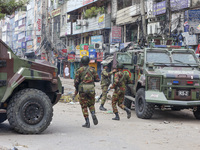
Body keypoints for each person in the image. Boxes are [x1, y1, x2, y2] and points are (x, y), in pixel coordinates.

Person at [74, 56, 100, 128]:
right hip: (91, 89)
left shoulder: (79, 70)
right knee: (91, 104)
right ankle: (93, 113)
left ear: (82, 62)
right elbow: (98, 79)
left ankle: (87, 122)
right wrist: (91, 80)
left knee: (84, 106)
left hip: (82, 90)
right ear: (88, 62)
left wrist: (76, 90)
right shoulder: (92, 70)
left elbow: (76, 82)